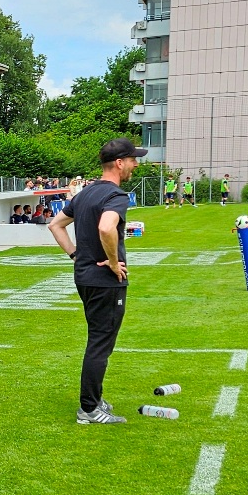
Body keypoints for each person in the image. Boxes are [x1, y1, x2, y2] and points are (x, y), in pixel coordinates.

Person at [46, 138, 144, 425]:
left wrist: (75, 254)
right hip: (105, 280)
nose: (135, 165)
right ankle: (89, 409)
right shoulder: (116, 195)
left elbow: (55, 225)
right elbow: (105, 227)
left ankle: (95, 399)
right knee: (101, 343)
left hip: (85, 277)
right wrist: (113, 262)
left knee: (98, 339)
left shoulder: (85, 194)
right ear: (119, 163)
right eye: (133, 160)